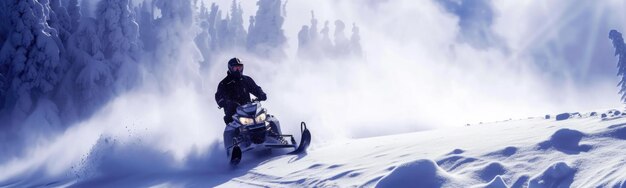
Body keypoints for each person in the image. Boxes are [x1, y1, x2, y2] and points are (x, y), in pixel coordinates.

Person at [215, 57, 267, 124]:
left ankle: (274, 133)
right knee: (231, 127)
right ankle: (234, 134)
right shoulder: (224, 83)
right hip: (233, 114)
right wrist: (227, 103)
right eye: (235, 68)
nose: (238, 70)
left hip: (249, 110)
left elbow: (255, 88)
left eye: (239, 68)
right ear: (230, 68)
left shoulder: (246, 80)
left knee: (268, 118)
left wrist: (261, 94)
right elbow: (219, 97)